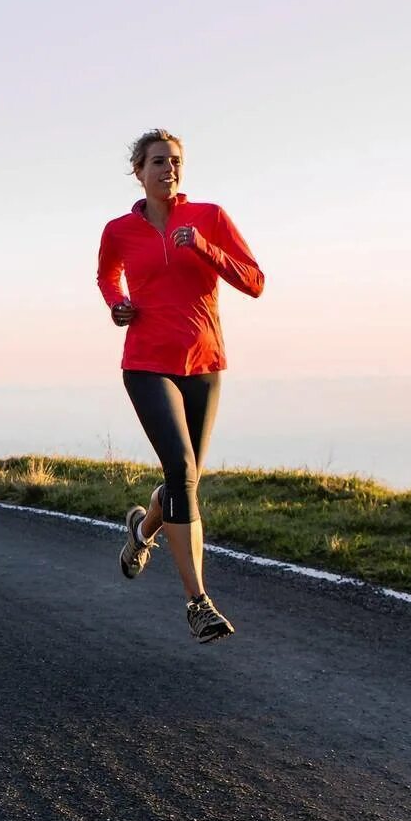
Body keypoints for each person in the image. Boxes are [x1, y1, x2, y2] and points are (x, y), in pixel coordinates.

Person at [96, 128, 265, 642]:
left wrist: (207, 249)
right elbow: (108, 277)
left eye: (175, 161)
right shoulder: (119, 229)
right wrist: (117, 306)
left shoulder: (209, 218)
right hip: (147, 362)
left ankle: (141, 531)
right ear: (138, 171)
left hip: (204, 363)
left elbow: (254, 281)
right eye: (158, 161)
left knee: (184, 480)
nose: (169, 169)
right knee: (183, 471)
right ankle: (198, 602)